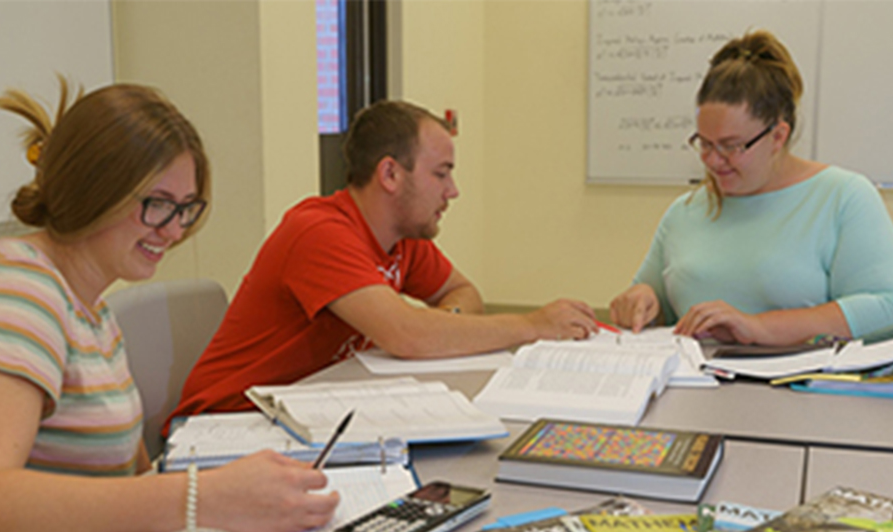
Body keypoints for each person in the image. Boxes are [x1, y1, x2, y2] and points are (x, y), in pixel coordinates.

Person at [0, 79, 338, 532]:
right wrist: (201, 498)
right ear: (93, 190)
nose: (173, 230)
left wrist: (224, 490)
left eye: (185, 209)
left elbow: (124, 471)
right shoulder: (15, 295)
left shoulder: (88, 306)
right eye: (157, 205)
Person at [172, 100, 599, 420]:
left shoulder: (403, 236)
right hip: (229, 426)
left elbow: (462, 293)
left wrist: (442, 328)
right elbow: (407, 336)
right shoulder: (319, 231)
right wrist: (532, 325)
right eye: (441, 173)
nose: (453, 191)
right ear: (391, 175)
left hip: (305, 410)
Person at [609, 30, 893, 346]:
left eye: (732, 146)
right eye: (705, 144)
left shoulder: (844, 197)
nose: (714, 161)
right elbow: (653, 305)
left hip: (799, 391)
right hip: (697, 388)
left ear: (777, 136)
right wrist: (642, 301)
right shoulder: (684, 212)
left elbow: (885, 306)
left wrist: (760, 327)